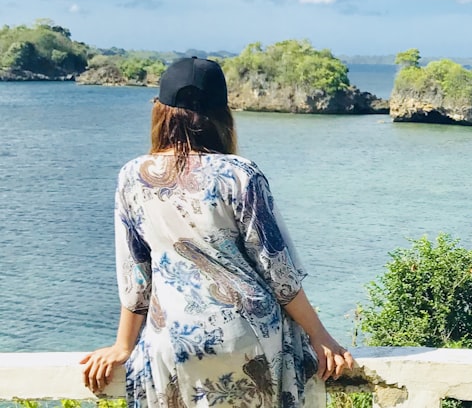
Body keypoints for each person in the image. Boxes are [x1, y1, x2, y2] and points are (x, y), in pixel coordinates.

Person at [81, 56, 354, 407]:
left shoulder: (133, 176)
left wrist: (123, 345)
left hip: (174, 340)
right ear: (222, 114)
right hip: (248, 339)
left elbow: (136, 275)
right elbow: (278, 271)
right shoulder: (240, 174)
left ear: (159, 111)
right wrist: (321, 336)